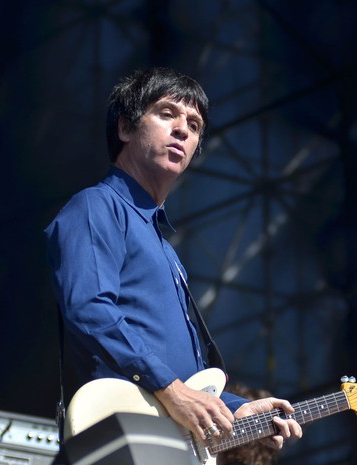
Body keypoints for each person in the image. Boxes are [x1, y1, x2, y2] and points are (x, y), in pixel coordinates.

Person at [44, 67, 301, 452]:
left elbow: (188, 380)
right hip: (120, 435)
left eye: (194, 125)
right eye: (167, 114)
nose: (184, 129)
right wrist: (171, 387)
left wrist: (236, 408)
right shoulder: (96, 206)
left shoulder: (163, 246)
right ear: (126, 128)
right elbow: (89, 307)